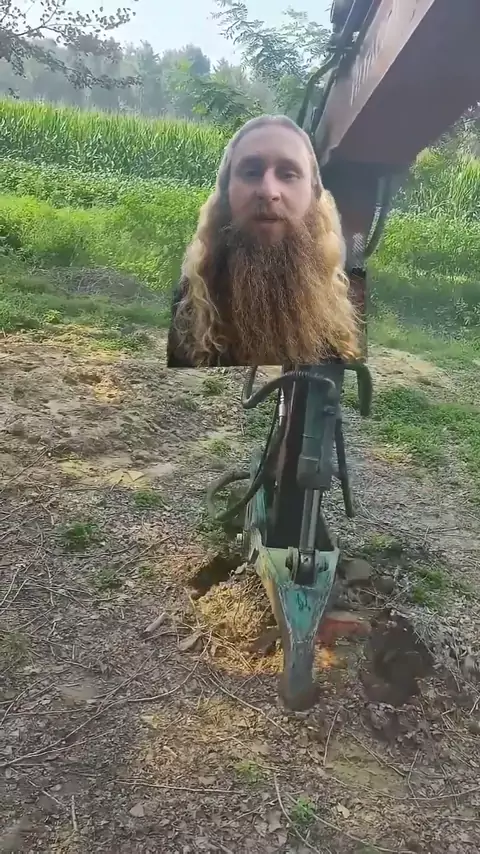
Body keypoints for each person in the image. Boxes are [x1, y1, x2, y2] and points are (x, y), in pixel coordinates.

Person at [166, 114, 359, 368]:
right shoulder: (187, 305)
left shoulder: (334, 306)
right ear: (226, 192)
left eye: (288, 174)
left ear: (313, 192)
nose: (268, 192)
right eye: (251, 172)